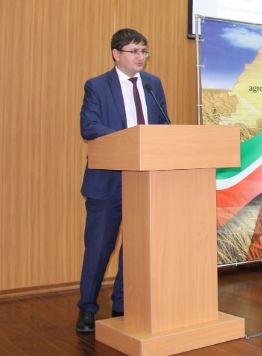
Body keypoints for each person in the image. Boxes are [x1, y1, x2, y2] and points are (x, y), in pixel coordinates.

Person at [76, 29, 169, 333]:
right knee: (99, 248)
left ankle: (122, 304)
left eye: (144, 51)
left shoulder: (153, 84)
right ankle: (87, 308)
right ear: (116, 54)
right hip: (108, 180)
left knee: (135, 247)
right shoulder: (97, 86)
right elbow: (90, 127)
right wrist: (131, 140)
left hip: (145, 180)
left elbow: (162, 125)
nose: (141, 57)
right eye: (134, 51)